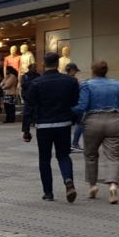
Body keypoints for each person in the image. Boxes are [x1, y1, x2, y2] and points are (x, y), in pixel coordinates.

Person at [22, 52, 80, 202]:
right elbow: (75, 102)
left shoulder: (36, 83)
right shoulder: (70, 81)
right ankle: (68, 179)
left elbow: (29, 107)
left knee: (44, 159)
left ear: (43, 63)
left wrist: (26, 129)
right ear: (58, 63)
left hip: (44, 125)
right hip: (63, 123)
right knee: (63, 155)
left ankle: (48, 192)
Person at [73, 60, 119, 204]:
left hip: (93, 121)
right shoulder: (118, 85)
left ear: (93, 71)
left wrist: (70, 111)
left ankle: (93, 185)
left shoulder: (86, 85)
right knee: (113, 156)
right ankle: (113, 185)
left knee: (90, 154)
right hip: (114, 120)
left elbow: (82, 106)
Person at [64, 63, 86, 151]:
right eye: (75, 71)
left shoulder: (64, 79)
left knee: (68, 126)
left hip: (66, 105)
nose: (76, 73)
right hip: (74, 105)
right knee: (81, 123)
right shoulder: (73, 80)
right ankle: (74, 143)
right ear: (72, 70)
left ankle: (68, 145)